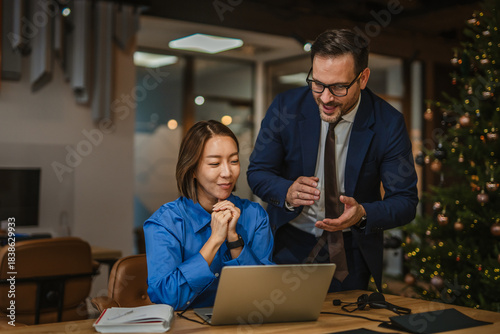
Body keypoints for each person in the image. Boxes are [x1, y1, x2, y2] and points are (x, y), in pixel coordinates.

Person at [247, 29, 418, 292]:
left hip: (350, 251)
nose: (325, 98)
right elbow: (258, 172)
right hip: (287, 243)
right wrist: (287, 191)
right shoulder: (286, 108)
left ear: (363, 78)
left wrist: (363, 214)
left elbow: (405, 201)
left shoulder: (388, 123)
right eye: (317, 83)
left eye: (338, 87)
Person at [144, 120, 274, 311]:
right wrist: (214, 241)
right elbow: (165, 299)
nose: (227, 172)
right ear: (193, 169)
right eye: (214, 163)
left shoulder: (255, 216)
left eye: (234, 161)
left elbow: (266, 294)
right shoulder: (165, 223)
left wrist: (234, 240)